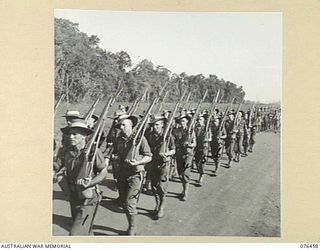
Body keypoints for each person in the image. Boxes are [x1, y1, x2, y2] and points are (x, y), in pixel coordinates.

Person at [53, 119, 108, 236]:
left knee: (75, 234)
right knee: (85, 229)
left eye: (75, 134)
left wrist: (91, 182)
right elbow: (56, 166)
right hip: (73, 196)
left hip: (88, 199)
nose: (71, 137)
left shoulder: (93, 152)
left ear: (84, 136)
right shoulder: (66, 151)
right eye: (69, 134)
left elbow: (103, 172)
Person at [112, 114, 152, 235]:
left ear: (131, 125)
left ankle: (132, 229)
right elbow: (114, 153)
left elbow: (149, 156)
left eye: (124, 125)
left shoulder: (140, 139)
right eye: (120, 125)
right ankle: (130, 225)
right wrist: (114, 157)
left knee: (130, 203)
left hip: (135, 175)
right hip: (122, 174)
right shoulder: (119, 139)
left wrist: (139, 161)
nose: (121, 127)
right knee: (124, 202)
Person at [146, 115, 175, 218]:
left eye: (157, 125)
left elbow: (173, 149)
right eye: (153, 125)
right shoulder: (150, 135)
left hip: (164, 164)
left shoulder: (168, 136)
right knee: (154, 186)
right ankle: (157, 205)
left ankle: (161, 208)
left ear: (162, 125)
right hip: (153, 163)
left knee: (162, 187)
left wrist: (167, 154)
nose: (155, 127)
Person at [173, 115, 196, 201]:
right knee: (180, 173)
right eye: (180, 121)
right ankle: (183, 188)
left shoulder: (190, 131)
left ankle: (186, 192)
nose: (182, 123)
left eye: (183, 121)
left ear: (187, 122)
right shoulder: (175, 131)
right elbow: (173, 142)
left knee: (185, 173)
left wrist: (189, 144)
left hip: (188, 154)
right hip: (179, 154)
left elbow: (195, 143)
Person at [194, 114, 209, 186]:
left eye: (200, 120)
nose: (199, 121)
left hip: (204, 147)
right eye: (198, 120)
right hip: (197, 147)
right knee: (197, 162)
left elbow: (210, 138)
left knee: (202, 162)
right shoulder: (195, 128)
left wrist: (206, 139)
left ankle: (201, 176)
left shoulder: (206, 129)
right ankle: (200, 172)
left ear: (203, 121)